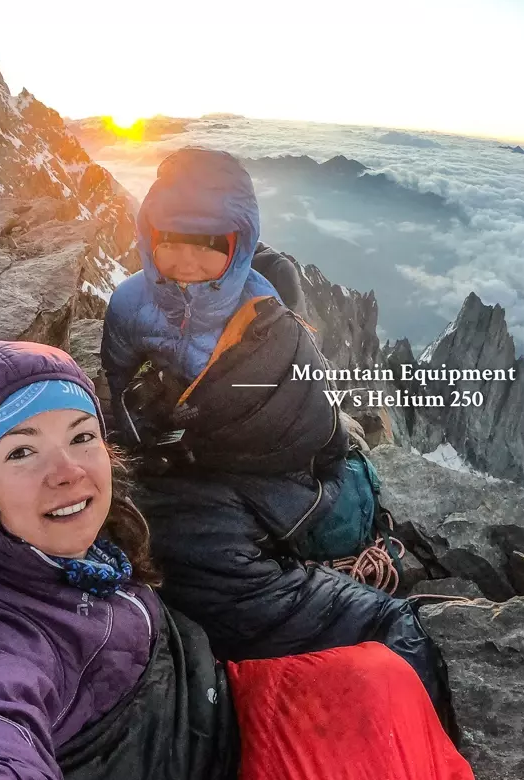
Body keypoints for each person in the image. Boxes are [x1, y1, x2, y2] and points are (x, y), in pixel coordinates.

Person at [0, 339, 473, 780]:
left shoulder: (82, 537)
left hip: (211, 709)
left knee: (383, 680)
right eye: (22, 450)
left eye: (81, 436)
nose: (66, 471)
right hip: (196, 758)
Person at [100, 147, 459, 734]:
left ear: (238, 246)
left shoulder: (268, 319)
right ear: (145, 236)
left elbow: (306, 428)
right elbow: (117, 382)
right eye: (170, 239)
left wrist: (196, 439)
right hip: (197, 451)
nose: (187, 259)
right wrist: (146, 433)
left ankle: (352, 588)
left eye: (210, 245)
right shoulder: (132, 304)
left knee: (205, 549)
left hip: (277, 469)